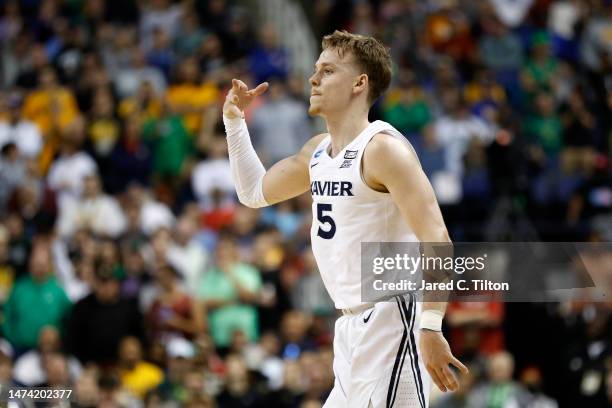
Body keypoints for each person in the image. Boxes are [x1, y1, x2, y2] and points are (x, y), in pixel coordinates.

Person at [223, 30, 467, 407]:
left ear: (359, 83)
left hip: (391, 316)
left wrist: (431, 326)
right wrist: (235, 122)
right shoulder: (316, 153)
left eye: (328, 70)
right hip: (350, 325)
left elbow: (437, 240)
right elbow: (253, 193)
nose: (313, 78)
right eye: (316, 69)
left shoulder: (383, 149)